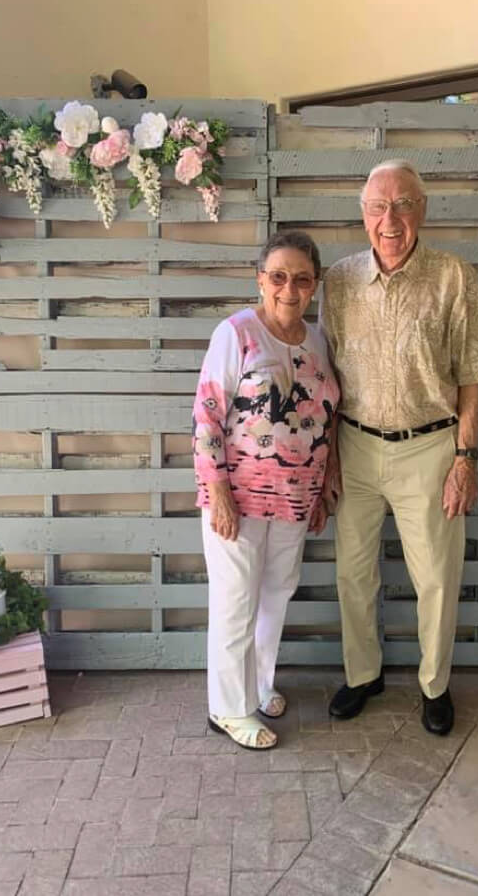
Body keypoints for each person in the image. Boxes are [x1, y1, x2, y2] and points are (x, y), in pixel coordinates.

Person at [320, 160, 478, 736]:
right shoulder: (339, 281)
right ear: (363, 214)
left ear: (422, 209)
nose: (389, 219)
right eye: (377, 206)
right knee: (353, 574)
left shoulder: (454, 276)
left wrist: (465, 459)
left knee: (437, 578)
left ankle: (434, 685)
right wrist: (328, 457)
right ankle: (362, 673)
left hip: (431, 449)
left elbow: (472, 374)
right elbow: (326, 375)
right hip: (355, 445)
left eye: (402, 204)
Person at [193, 231, 339, 750]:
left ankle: (258, 686)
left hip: (297, 500)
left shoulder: (318, 341)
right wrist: (218, 492)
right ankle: (228, 709)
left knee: (276, 596)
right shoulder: (236, 334)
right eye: (278, 277)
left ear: (315, 285)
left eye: (301, 278)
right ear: (260, 281)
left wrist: (322, 489)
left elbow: (324, 419)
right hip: (241, 500)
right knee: (235, 603)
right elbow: (207, 417)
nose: (289, 288)